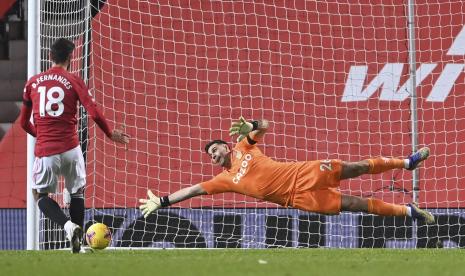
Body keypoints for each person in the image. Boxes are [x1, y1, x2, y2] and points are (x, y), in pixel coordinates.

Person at [139, 117, 434, 226]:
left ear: (226, 146)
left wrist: (249, 127)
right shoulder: (222, 180)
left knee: (354, 169)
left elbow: (264, 126)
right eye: (209, 156)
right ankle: (409, 211)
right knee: (355, 205)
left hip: (302, 173)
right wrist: (163, 201)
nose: (213, 156)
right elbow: (192, 191)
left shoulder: (244, 146)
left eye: (215, 150)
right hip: (298, 200)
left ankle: (405, 162)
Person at [20, 38, 130, 253]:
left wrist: (41, 134)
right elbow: (94, 112)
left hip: (46, 151)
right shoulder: (74, 80)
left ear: (50, 57)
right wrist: (110, 133)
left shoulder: (32, 82)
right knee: (77, 193)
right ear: (71, 57)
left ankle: (68, 227)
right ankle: (78, 244)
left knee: (40, 195)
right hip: (71, 148)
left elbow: (24, 122)